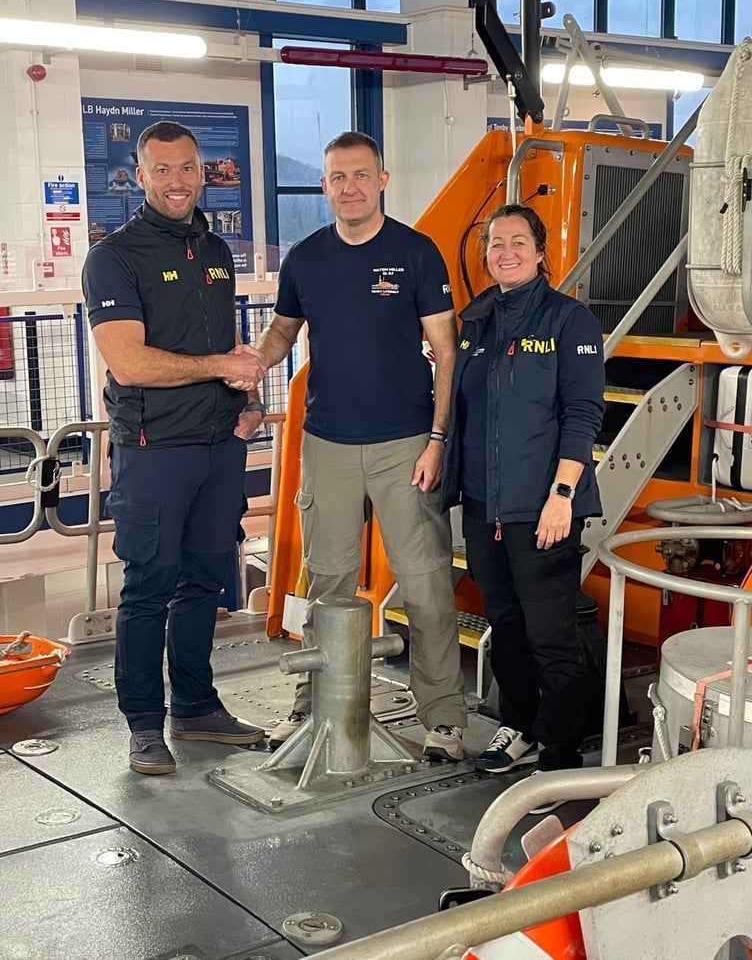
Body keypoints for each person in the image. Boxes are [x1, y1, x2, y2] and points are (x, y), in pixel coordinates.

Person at [243, 131, 468, 761]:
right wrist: (252, 364)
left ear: (382, 180)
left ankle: (444, 720)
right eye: (337, 178)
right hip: (328, 444)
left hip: (405, 445)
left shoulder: (417, 253)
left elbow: (445, 352)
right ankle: (312, 706)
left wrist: (437, 439)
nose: (349, 187)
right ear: (325, 187)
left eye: (360, 175)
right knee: (328, 585)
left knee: (424, 584)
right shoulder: (307, 259)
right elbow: (283, 333)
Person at [82, 121, 268, 775]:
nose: (178, 180)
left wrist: (247, 402)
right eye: (162, 169)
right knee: (149, 585)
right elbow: (129, 363)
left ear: (204, 170)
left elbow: (222, 343)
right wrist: (221, 364)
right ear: (139, 174)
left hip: (219, 446)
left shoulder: (215, 251)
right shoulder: (115, 257)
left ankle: (194, 707)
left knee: (203, 581)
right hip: (154, 447)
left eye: (188, 167)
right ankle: (142, 725)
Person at [442, 204, 604, 787]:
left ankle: (560, 755)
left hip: (544, 507)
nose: (504, 251)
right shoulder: (476, 322)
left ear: (540, 252)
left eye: (517, 241)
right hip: (486, 506)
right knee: (504, 624)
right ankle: (520, 724)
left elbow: (583, 413)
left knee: (551, 634)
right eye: (494, 242)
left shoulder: (570, 321)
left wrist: (562, 495)